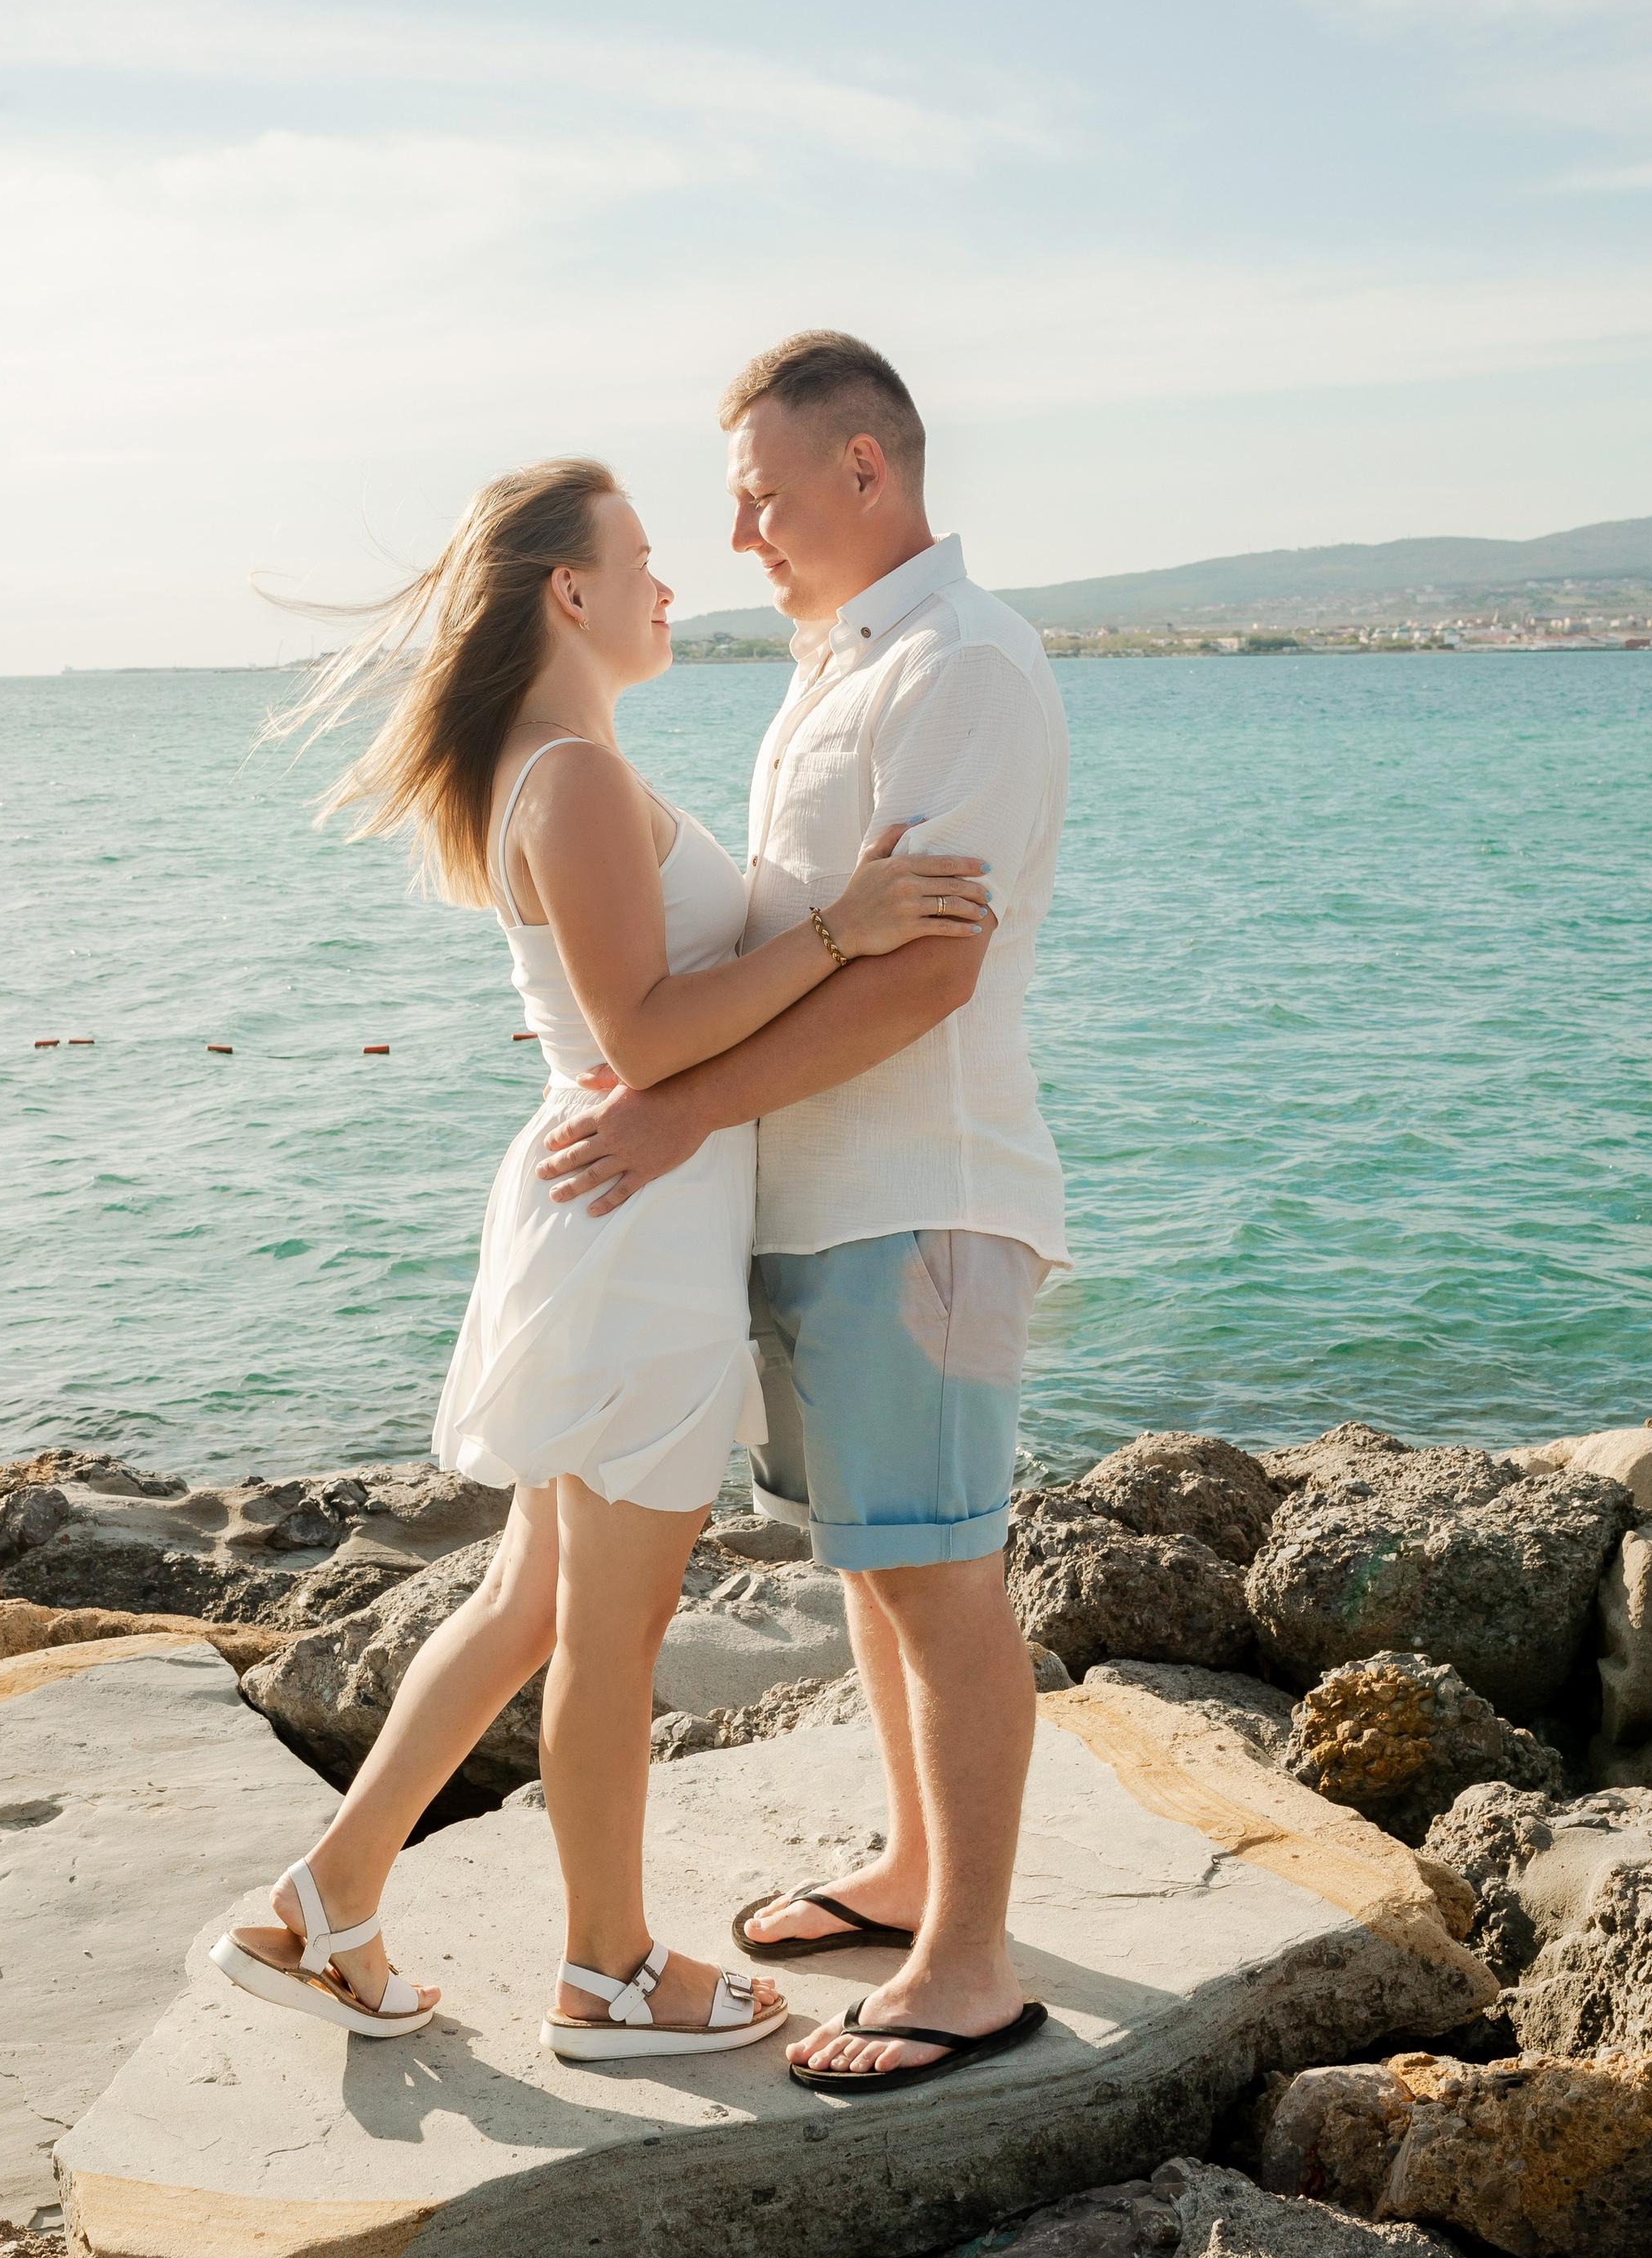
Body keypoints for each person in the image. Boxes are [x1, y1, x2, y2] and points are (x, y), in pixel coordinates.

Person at [211, 455, 989, 2060]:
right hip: (633, 1231)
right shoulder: (563, 772)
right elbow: (641, 1034)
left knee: (528, 1602)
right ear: (564, 591)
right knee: (601, 1629)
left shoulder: (554, 762)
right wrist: (839, 929)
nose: (666, 583)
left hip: (610, 1212)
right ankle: (609, 1975)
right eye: (637, 560)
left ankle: (323, 1900)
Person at [538, 333, 1070, 2094]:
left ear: (865, 469)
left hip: (917, 1200)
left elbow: (922, 979)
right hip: (809, 1197)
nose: (743, 531)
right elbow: (793, 939)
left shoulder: (964, 669)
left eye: (763, 495)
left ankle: (970, 1964)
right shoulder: (833, 668)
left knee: (938, 1573)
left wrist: (671, 1111)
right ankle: (916, 1871)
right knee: (871, 1567)